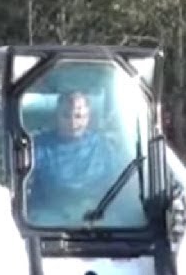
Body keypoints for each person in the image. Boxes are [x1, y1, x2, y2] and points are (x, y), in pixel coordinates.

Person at [26, 91, 119, 222]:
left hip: (95, 217)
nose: (73, 122)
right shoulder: (38, 146)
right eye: (66, 116)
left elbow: (116, 185)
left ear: (88, 117)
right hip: (49, 221)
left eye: (79, 116)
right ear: (57, 116)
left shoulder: (104, 147)